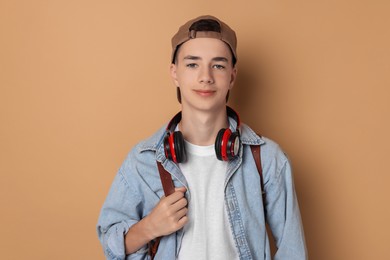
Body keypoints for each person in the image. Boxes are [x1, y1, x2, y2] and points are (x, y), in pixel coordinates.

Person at [97, 15, 307, 260]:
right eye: (192, 64)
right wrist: (149, 227)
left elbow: (293, 251)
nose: (205, 76)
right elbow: (110, 244)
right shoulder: (143, 159)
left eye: (218, 65)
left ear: (232, 75)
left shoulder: (267, 158)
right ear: (174, 73)